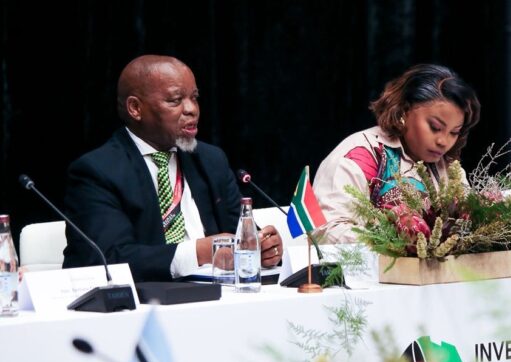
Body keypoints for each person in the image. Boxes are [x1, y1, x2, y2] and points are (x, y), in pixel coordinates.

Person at [62, 55, 283, 281]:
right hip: (144, 304)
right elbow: (109, 258)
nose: (192, 109)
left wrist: (263, 247)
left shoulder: (211, 160)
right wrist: (200, 252)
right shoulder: (97, 171)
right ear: (135, 108)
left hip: (218, 292)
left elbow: (242, 235)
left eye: (194, 98)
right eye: (175, 100)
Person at [313, 64, 481, 243]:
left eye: (454, 132)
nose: (443, 141)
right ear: (403, 110)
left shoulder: (446, 166)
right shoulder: (359, 156)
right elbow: (326, 232)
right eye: (435, 127)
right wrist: (396, 242)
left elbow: (468, 223)